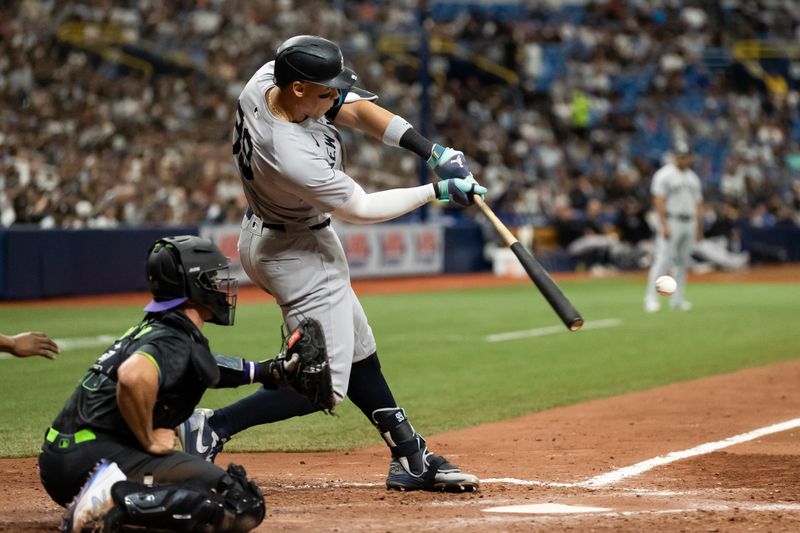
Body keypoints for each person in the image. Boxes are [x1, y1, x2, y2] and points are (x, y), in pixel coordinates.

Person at [179, 35, 486, 493]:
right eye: (326, 90)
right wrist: (436, 192)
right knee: (321, 381)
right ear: (300, 88)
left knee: (359, 351)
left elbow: (356, 109)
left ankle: (409, 453)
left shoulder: (270, 80)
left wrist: (432, 152)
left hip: (278, 233)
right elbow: (359, 209)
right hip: (296, 253)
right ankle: (213, 426)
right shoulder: (287, 152)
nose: (335, 97)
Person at [38, 235, 321, 532]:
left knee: (197, 495)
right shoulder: (172, 339)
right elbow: (133, 376)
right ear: (192, 286)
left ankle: (113, 495)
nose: (219, 287)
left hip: (65, 458)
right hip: (93, 459)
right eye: (211, 278)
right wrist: (147, 437)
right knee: (242, 503)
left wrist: (268, 371)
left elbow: (203, 366)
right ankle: (111, 500)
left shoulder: (158, 327)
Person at [644, 141, 704, 312]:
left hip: (689, 222)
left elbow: (699, 204)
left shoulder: (693, 177)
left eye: (685, 156)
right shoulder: (664, 174)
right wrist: (663, 224)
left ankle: (677, 300)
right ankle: (651, 298)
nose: (682, 159)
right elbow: (658, 201)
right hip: (672, 220)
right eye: (679, 156)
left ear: (691, 158)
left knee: (683, 263)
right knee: (663, 260)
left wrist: (699, 228)